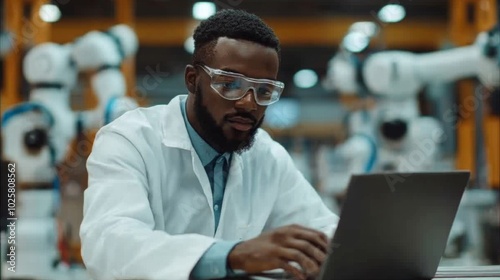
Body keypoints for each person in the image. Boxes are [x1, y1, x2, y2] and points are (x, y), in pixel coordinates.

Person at [80, 9, 339, 280]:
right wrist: (234, 255)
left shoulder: (267, 155)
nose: (248, 103)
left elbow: (325, 230)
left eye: (263, 91)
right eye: (230, 84)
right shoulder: (131, 139)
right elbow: (110, 243)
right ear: (192, 79)